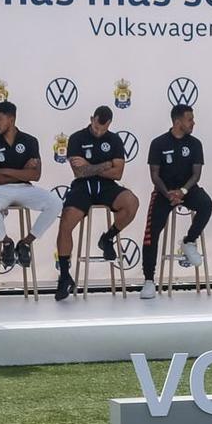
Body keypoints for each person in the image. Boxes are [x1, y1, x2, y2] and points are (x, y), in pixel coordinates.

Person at [52, 105, 138, 301]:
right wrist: (106, 164)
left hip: (107, 186)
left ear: (109, 124)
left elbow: (118, 173)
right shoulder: (76, 138)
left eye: (103, 129)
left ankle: (107, 238)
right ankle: (64, 275)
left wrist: (91, 167)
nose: (99, 131)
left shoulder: (114, 140)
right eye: (96, 127)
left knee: (132, 203)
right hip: (82, 187)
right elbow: (79, 172)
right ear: (92, 119)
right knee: (65, 222)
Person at [139, 102, 212, 300]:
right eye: (190, 119)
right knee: (150, 233)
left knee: (206, 204)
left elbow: (196, 174)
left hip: (187, 189)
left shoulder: (195, 144)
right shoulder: (159, 143)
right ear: (178, 122)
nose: (193, 123)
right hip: (164, 192)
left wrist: (182, 191)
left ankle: (189, 241)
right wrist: (168, 193)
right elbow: (154, 175)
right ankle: (148, 281)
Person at [0, 100, 62, 270]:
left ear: (11, 119)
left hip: (25, 188)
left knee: (55, 202)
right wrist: (22, 171)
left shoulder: (30, 141)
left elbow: (36, 175)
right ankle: (7, 243)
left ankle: (25, 243)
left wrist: (4, 171)